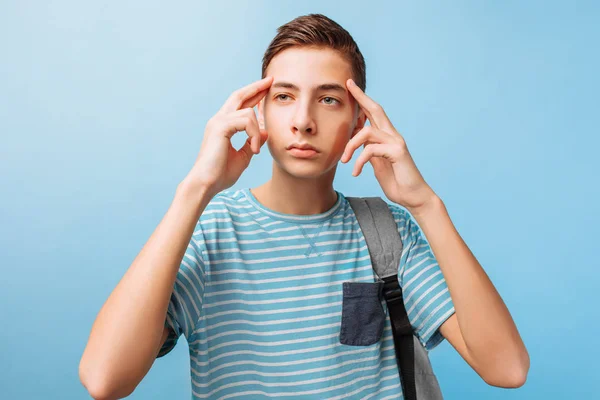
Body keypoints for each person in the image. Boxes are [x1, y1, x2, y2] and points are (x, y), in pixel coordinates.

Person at [79, 13, 529, 400]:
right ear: (259, 111)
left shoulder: (390, 231)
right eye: (285, 96)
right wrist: (196, 188)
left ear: (359, 119)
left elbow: (506, 370)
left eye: (329, 99)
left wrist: (426, 204)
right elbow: (104, 379)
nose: (303, 121)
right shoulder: (212, 231)